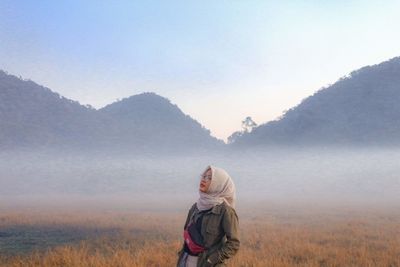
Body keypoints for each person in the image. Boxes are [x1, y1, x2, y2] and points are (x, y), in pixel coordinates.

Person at [177, 165, 240, 267]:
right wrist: (181, 254)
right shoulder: (195, 207)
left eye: (210, 178)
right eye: (204, 176)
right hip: (185, 261)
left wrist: (212, 260)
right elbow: (187, 232)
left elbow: (234, 243)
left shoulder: (226, 211)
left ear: (219, 184)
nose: (204, 180)